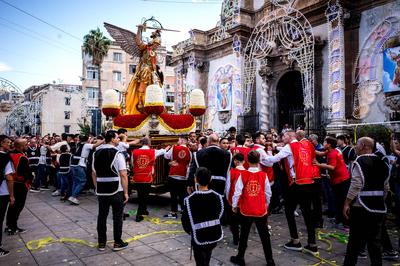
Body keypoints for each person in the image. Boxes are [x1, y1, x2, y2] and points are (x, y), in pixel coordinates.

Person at [264, 130, 317, 255]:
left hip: (296, 184)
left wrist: (260, 156)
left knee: (289, 210)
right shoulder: (306, 145)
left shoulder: (290, 146)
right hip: (308, 182)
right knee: (307, 213)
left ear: (289, 136)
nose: (282, 138)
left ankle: (295, 241)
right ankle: (312, 244)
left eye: (284, 136)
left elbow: (273, 159)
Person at [343, 137, 390, 266]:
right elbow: (386, 187)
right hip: (379, 208)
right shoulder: (382, 162)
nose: (355, 147)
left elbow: (356, 185)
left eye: (357, 144)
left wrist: (347, 203)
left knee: (354, 241)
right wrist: (379, 200)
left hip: (360, 207)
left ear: (363, 145)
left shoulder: (360, 161)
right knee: (374, 242)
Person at [230, 150, 275, 266]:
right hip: (260, 209)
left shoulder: (243, 175)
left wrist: (234, 205)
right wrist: (266, 204)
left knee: (244, 234)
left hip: (246, 209)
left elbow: (237, 192)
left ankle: (240, 257)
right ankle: (270, 260)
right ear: (259, 161)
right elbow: (268, 193)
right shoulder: (263, 175)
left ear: (248, 161)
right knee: (264, 236)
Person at [92, 130, 129, 252]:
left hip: (101, 189)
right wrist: (125, 192)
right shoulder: (118, 153)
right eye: (117, 138)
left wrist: (97, 186)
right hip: (115, 189)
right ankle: (117, 242)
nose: (118, 139)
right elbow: (123, 174)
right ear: (112, 139)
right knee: (117, 216)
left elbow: (93, 173)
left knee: (102, 216)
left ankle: (102, 243)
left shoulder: (96, 153)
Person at [181, 167, 224, 266]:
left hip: (198, 236)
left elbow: (185, 221)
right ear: (210, 179)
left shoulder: (189, 200)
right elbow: (220, 215)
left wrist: (191, 231)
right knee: (207, 256)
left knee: (199, 261)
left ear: (195, 179)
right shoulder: (217, 196)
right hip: (214, 234)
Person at [125, 24, 162, 114]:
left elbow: (154, 65)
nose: (156, 46)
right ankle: (140, 103)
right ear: (152, 43)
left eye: (157, 45)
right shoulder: (145, 48)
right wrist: (139, 29)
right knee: (143, 85)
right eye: (155, 44)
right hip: (145, 70)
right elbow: (138, 41)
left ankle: (153, 103)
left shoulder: (154, 52)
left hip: (152, 72)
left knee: (157, 87)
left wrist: (158, 33)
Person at [315, 136, 350, 228]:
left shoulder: (332, 154)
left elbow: (332, 167)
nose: (323, 144)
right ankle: (339, 218)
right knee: (337, 200)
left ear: (329, 144)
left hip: (341, 180)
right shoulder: (331, 151)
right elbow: (320, 153)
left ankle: (343, 222)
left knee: (340, 201)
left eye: (325, 142)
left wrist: (319, 165)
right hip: (339, 179)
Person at [131, 137, 169, 222]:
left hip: (137, 177)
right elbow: (162, 151)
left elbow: (133, 164)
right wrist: (166, 148)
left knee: (141, 195)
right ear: (149, 143)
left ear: (141, 143)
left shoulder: (134, 152)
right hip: (147, 177)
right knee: (144, 196)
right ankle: (139, 215)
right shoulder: (153, 151)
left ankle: (144, 210)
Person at [6, 138, 32, 235]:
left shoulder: (9, 154)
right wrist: (30, 179)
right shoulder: (22, 157)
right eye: (26, 144)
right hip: (20, 184)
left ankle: (9, 225)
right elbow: (26, 173)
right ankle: (13, 227)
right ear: (20, 147)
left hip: (11, 183)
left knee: (12, 205)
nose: (27, 146)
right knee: (18, 205)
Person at [69, 135, 103, 205]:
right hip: (79, 164)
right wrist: (104, 140)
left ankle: (73, 196)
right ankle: (73, 196)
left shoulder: (79, 144)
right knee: (82, 181)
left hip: (73, 164)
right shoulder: (87, 145)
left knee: (76, 181)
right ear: (87, 140)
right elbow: (95, 145)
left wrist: (91, 140)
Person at [163, 136, 192, 219]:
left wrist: (167, 151)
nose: (178, 141)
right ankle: (184, 210)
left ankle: (173, 212)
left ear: (182, 140)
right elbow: (189, 161)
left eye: (179, 140)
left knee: (173, 194)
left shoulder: (174, 148)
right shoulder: (189, 151)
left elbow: (166, 156)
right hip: (183, 175)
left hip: (173, 174)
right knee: (183, 194)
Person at [225, 153, 246, 245]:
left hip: (232, 199)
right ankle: (242, 239)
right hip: (244, 200)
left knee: (234, 222)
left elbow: (228, 186)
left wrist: (227, 197)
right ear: (244, 162)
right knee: (243, 221)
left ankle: (235, 238)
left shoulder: (232, 171)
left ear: (235, 161)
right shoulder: (247, 172)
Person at [0, 135, 15, 257]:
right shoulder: (5, 158)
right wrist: (11, 195)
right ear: (1, 143)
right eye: (8, 142)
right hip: (2, 192)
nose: (10, 144)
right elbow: (9, 177)